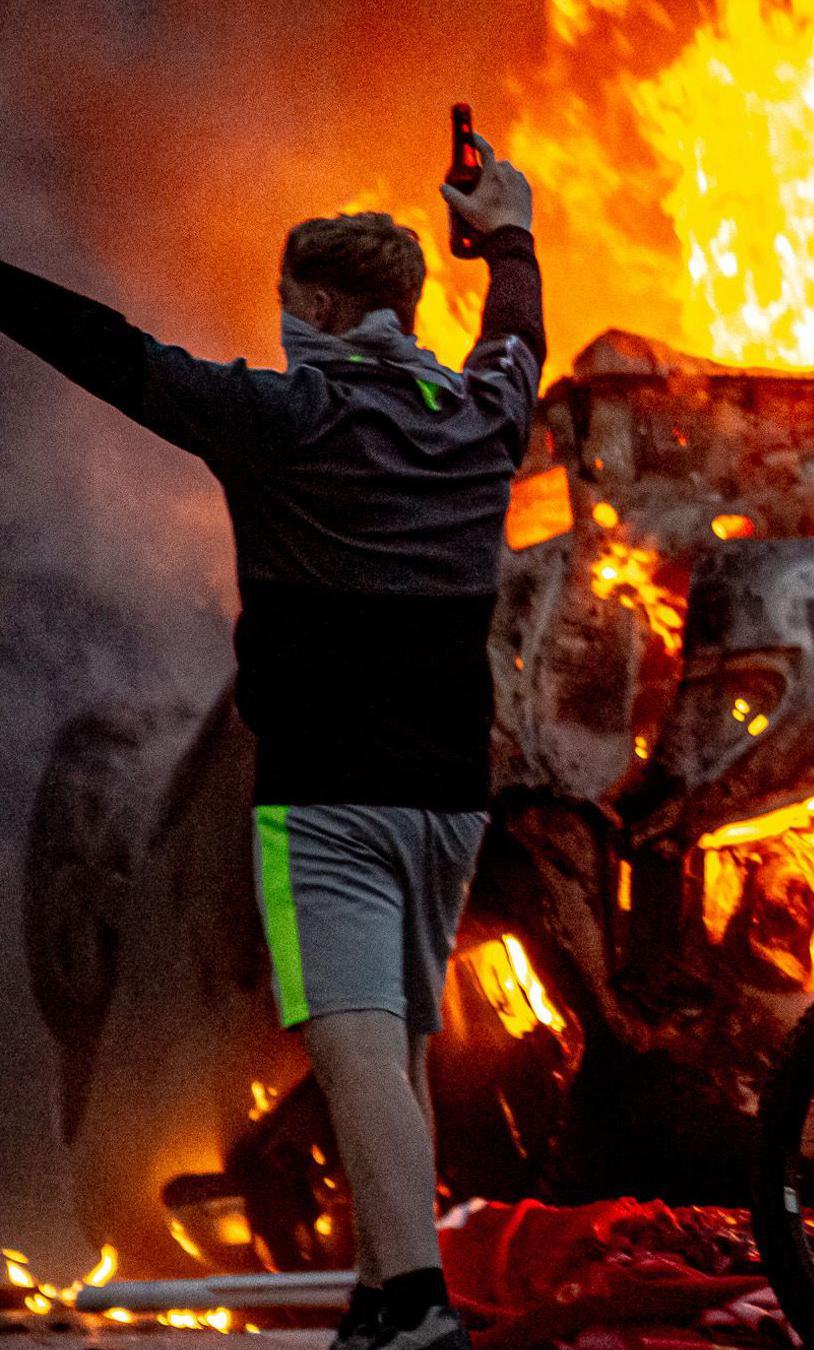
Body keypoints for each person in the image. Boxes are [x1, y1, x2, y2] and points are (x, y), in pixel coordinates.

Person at [0, 139, 544, 1350]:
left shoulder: (278, 417)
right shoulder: (484, 414)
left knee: (353, 1045)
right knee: (396, 1036)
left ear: (311, 306)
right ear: (407, 310)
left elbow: (113, 356)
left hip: (329, 800)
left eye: (288, 305)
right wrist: (507, 230)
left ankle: (414, 1309)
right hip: (450, 799)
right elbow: (518, 330)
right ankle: (381, 1296)